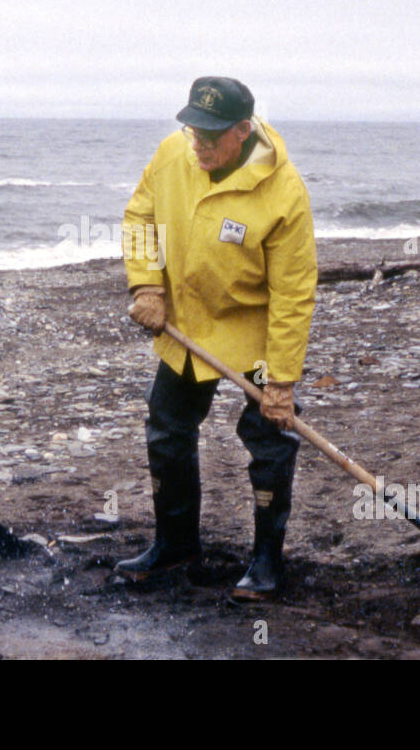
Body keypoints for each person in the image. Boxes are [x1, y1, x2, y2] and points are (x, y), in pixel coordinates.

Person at [117, 76, 318, 602]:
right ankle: (176, 543)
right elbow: (140, 215)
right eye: (192, 130)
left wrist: (281, 381)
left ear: (242, 132)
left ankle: (267, 563)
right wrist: (146, 283)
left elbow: (294, 294)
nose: (198, 144)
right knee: (167, 426)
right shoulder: (173, 155)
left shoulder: (284, 192)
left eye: (210, 135)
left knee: (270, 436)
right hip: (186, 323)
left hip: (253, 330)